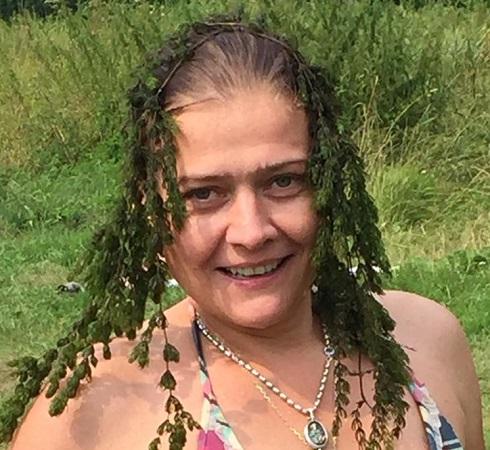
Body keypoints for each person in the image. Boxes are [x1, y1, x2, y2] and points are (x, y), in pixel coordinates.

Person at [5, 19, 485, 450]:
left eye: (284, 181)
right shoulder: (87, 413)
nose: (252, 232)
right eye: (203, 194)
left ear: (332, 186)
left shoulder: (427, 339)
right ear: (150, 211)